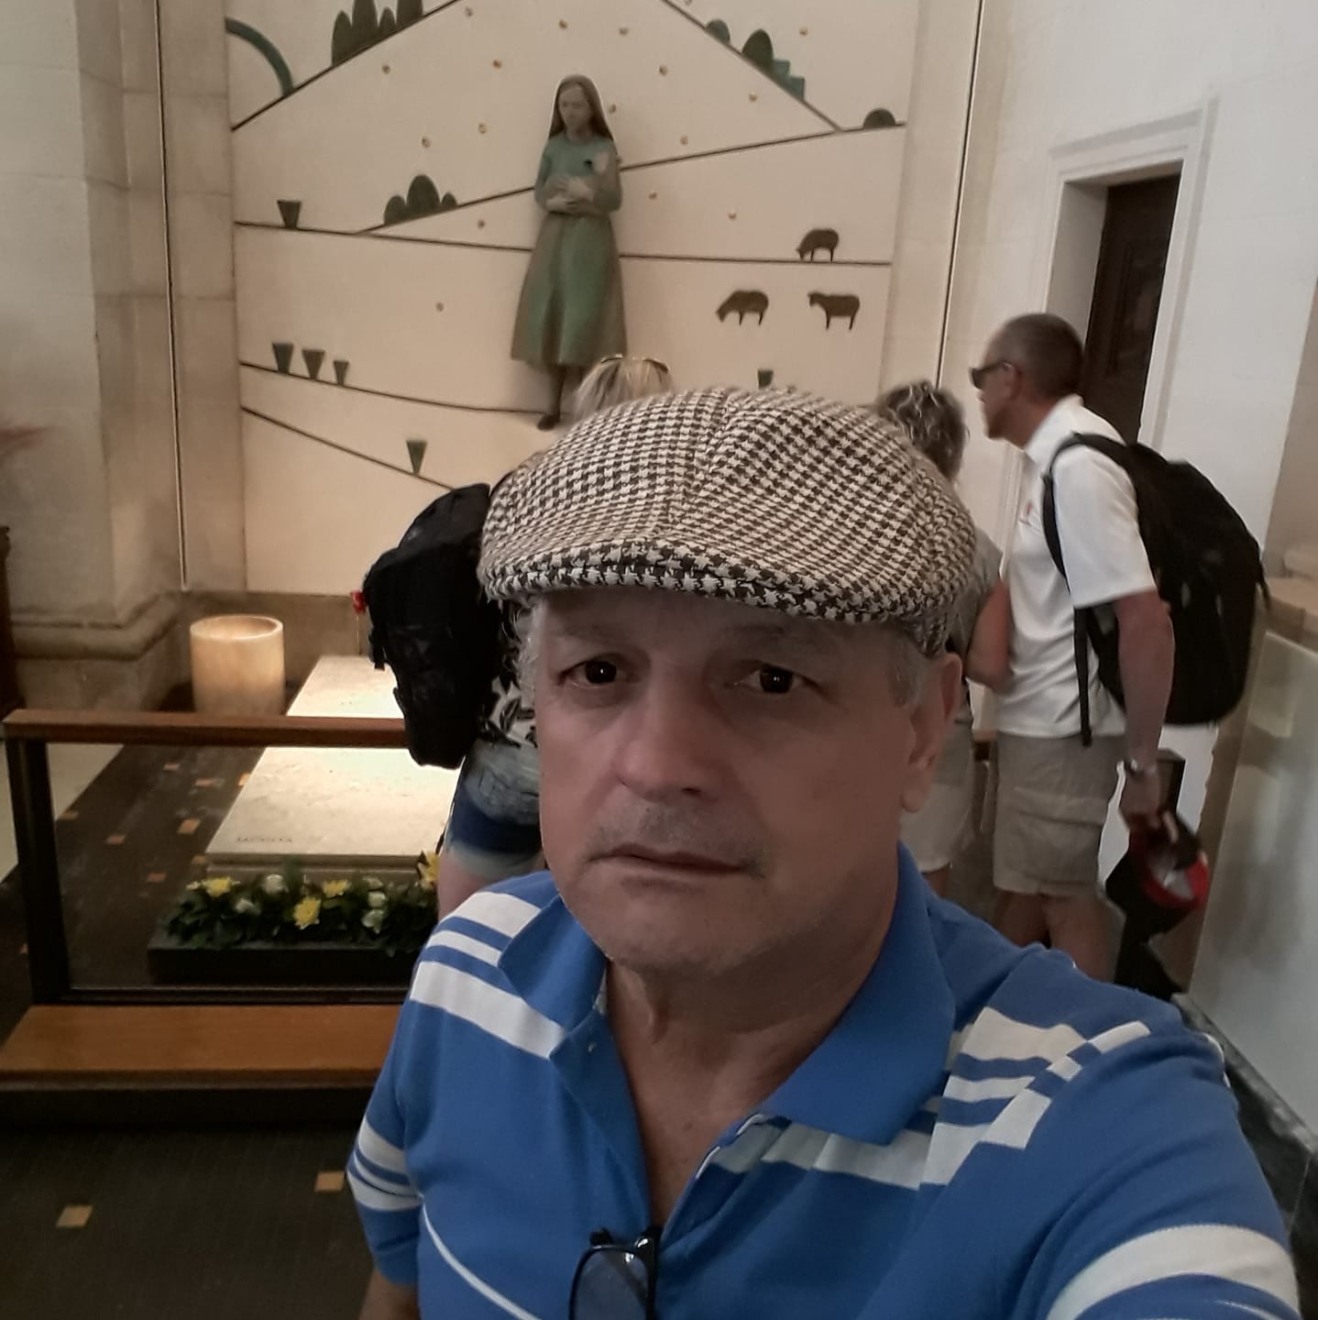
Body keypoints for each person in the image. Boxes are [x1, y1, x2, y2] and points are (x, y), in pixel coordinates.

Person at [350, 388, 1294, 1320]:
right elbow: (402, 1293)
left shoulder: (1097, 1128)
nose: (656, 766)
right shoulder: (464, 981)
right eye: (598, 671)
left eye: (772, 678)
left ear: (921, 732)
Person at [434, 354, 674, 917]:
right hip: (620, 753)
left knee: (471, 925)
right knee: (600, 929)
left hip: (516, 742)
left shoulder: (531, 488)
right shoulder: (672, 511)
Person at [973, 313, 1175, 979]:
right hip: (1043, 723)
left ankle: (1093, 1035)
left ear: (1011, 378)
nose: (979, 392)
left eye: (982, 376)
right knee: (1029, 889)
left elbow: (1146, 621)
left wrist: (1143, 768)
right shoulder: (1053, 461)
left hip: (1064, 729)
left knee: (1064, 899)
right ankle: (988, 1009)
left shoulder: (1081, 467)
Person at [878, 381, 1010, 897]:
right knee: (925, 886)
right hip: (939, 731)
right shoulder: (980, 550)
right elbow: (989, 665)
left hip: (858, 715)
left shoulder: (853, 536)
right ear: (954, 455)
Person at [511, 76, 625, 431]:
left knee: (584, 321)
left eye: (577, 105)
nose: (570, 112)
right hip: (556, 242)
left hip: (589, 243)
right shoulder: (554, 147)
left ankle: (586, 407)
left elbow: (613, 199)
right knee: (554, 316)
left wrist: (586, 192)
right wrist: (555, 201)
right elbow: (540, 191)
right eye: (564, 105)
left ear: (591, 108)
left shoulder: (604, 148)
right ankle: (552, 404)